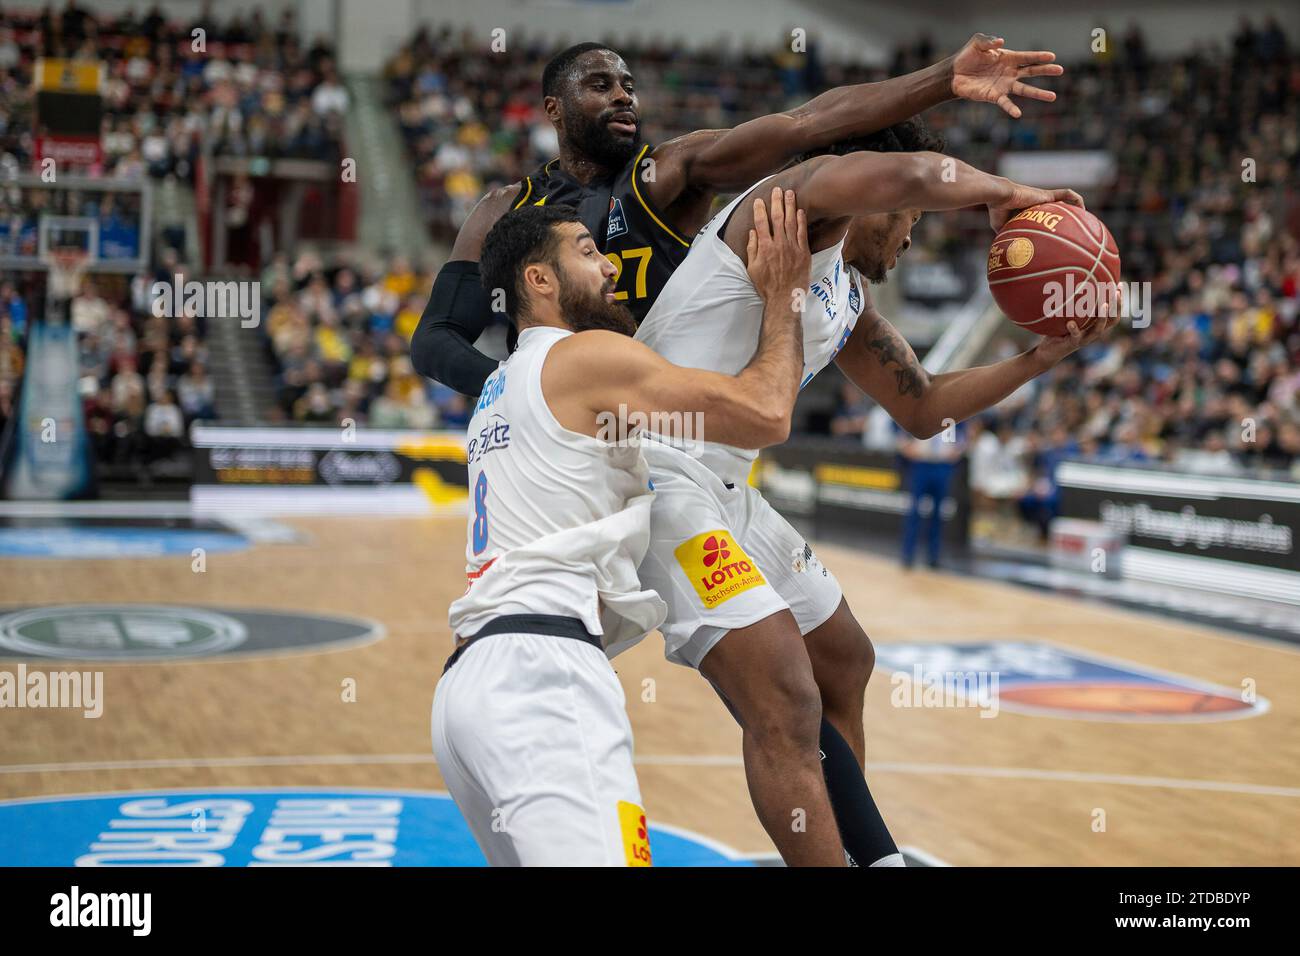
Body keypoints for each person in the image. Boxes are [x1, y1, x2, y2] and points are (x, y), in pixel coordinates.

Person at [631, 125, 1120, 866]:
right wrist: (1005, 191)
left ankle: (857, 849)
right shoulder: (779, 212)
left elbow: (923, 408)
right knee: (784, 699)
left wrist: (1041, 357)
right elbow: (903, 175)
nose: (913, 238)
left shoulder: (845, 291)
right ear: (871, 191)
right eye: (913, 219)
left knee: (843, 657)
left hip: (724, 481)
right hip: (656, 468)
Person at [431, 196, 812, 866]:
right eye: (585, 250)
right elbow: (767, 413)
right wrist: (785, 299)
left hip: (471, 683)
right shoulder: (584, 359)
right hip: (543, 676)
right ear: (537, 281)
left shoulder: (501, 387)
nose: (610, 266)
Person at [413, 35, 1067, 395]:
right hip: (560, 420)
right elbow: (436, 339)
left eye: (629, 85)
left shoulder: (669, 174)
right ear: (553, 110)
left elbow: (811, 121)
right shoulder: (504, 209)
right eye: (600, 85)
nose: (622, 96)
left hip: (664, 414)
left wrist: (943, 80)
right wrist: (513, 392)